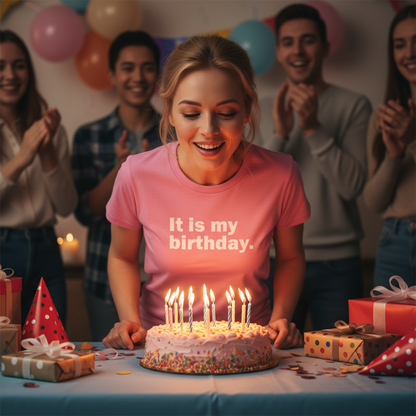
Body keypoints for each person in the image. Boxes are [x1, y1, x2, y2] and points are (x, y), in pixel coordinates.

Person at [102, 34, 311, 351]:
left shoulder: (282, 174)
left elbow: (291, 256)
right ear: (169, 111)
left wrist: (281, 317)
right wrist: (129, 318)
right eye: (191, 113)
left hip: (250, 347)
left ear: (246, 110)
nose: (209, 129)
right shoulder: (136, 174)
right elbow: (121, 256)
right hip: (160, 347)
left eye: (226, 113)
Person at [256, 4, 373, 332]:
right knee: (272, 364)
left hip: (339, 265)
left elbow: (352, 186)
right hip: (274, 262)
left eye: (307, 40)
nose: (298, 50)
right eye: (289, 42)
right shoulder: (262, 108)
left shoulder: (354, 105)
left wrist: (312, 128)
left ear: (324, 48)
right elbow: (256, 191)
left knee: (337, 367)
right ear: (278, 52)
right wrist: (280, 134)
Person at [71, 31, 162, 341]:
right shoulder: (89, 135)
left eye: (147, 67)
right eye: (127, 67)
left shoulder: (178, 132)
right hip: (104, 280)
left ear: (158, 74)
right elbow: (85, 212)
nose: (138, 76)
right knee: (116, 373)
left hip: (164, 283)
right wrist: (121, 171)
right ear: (112, 75)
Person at [0, 30, 77, 325]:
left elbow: (66, 206)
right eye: (1, 66)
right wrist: (22, 157)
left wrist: (46, 153)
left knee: (50, 350)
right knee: (5, 353)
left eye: (19, 65)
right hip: (3, 252)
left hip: (47, 248)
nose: (10, 75)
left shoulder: (49, 128)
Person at [363, 5, 416, 289]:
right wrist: (395, 156)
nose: (409, 52)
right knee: (388, 333)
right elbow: (374, 202)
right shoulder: (383, 117)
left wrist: (413, 140)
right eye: (399, 44)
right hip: (394, 241)